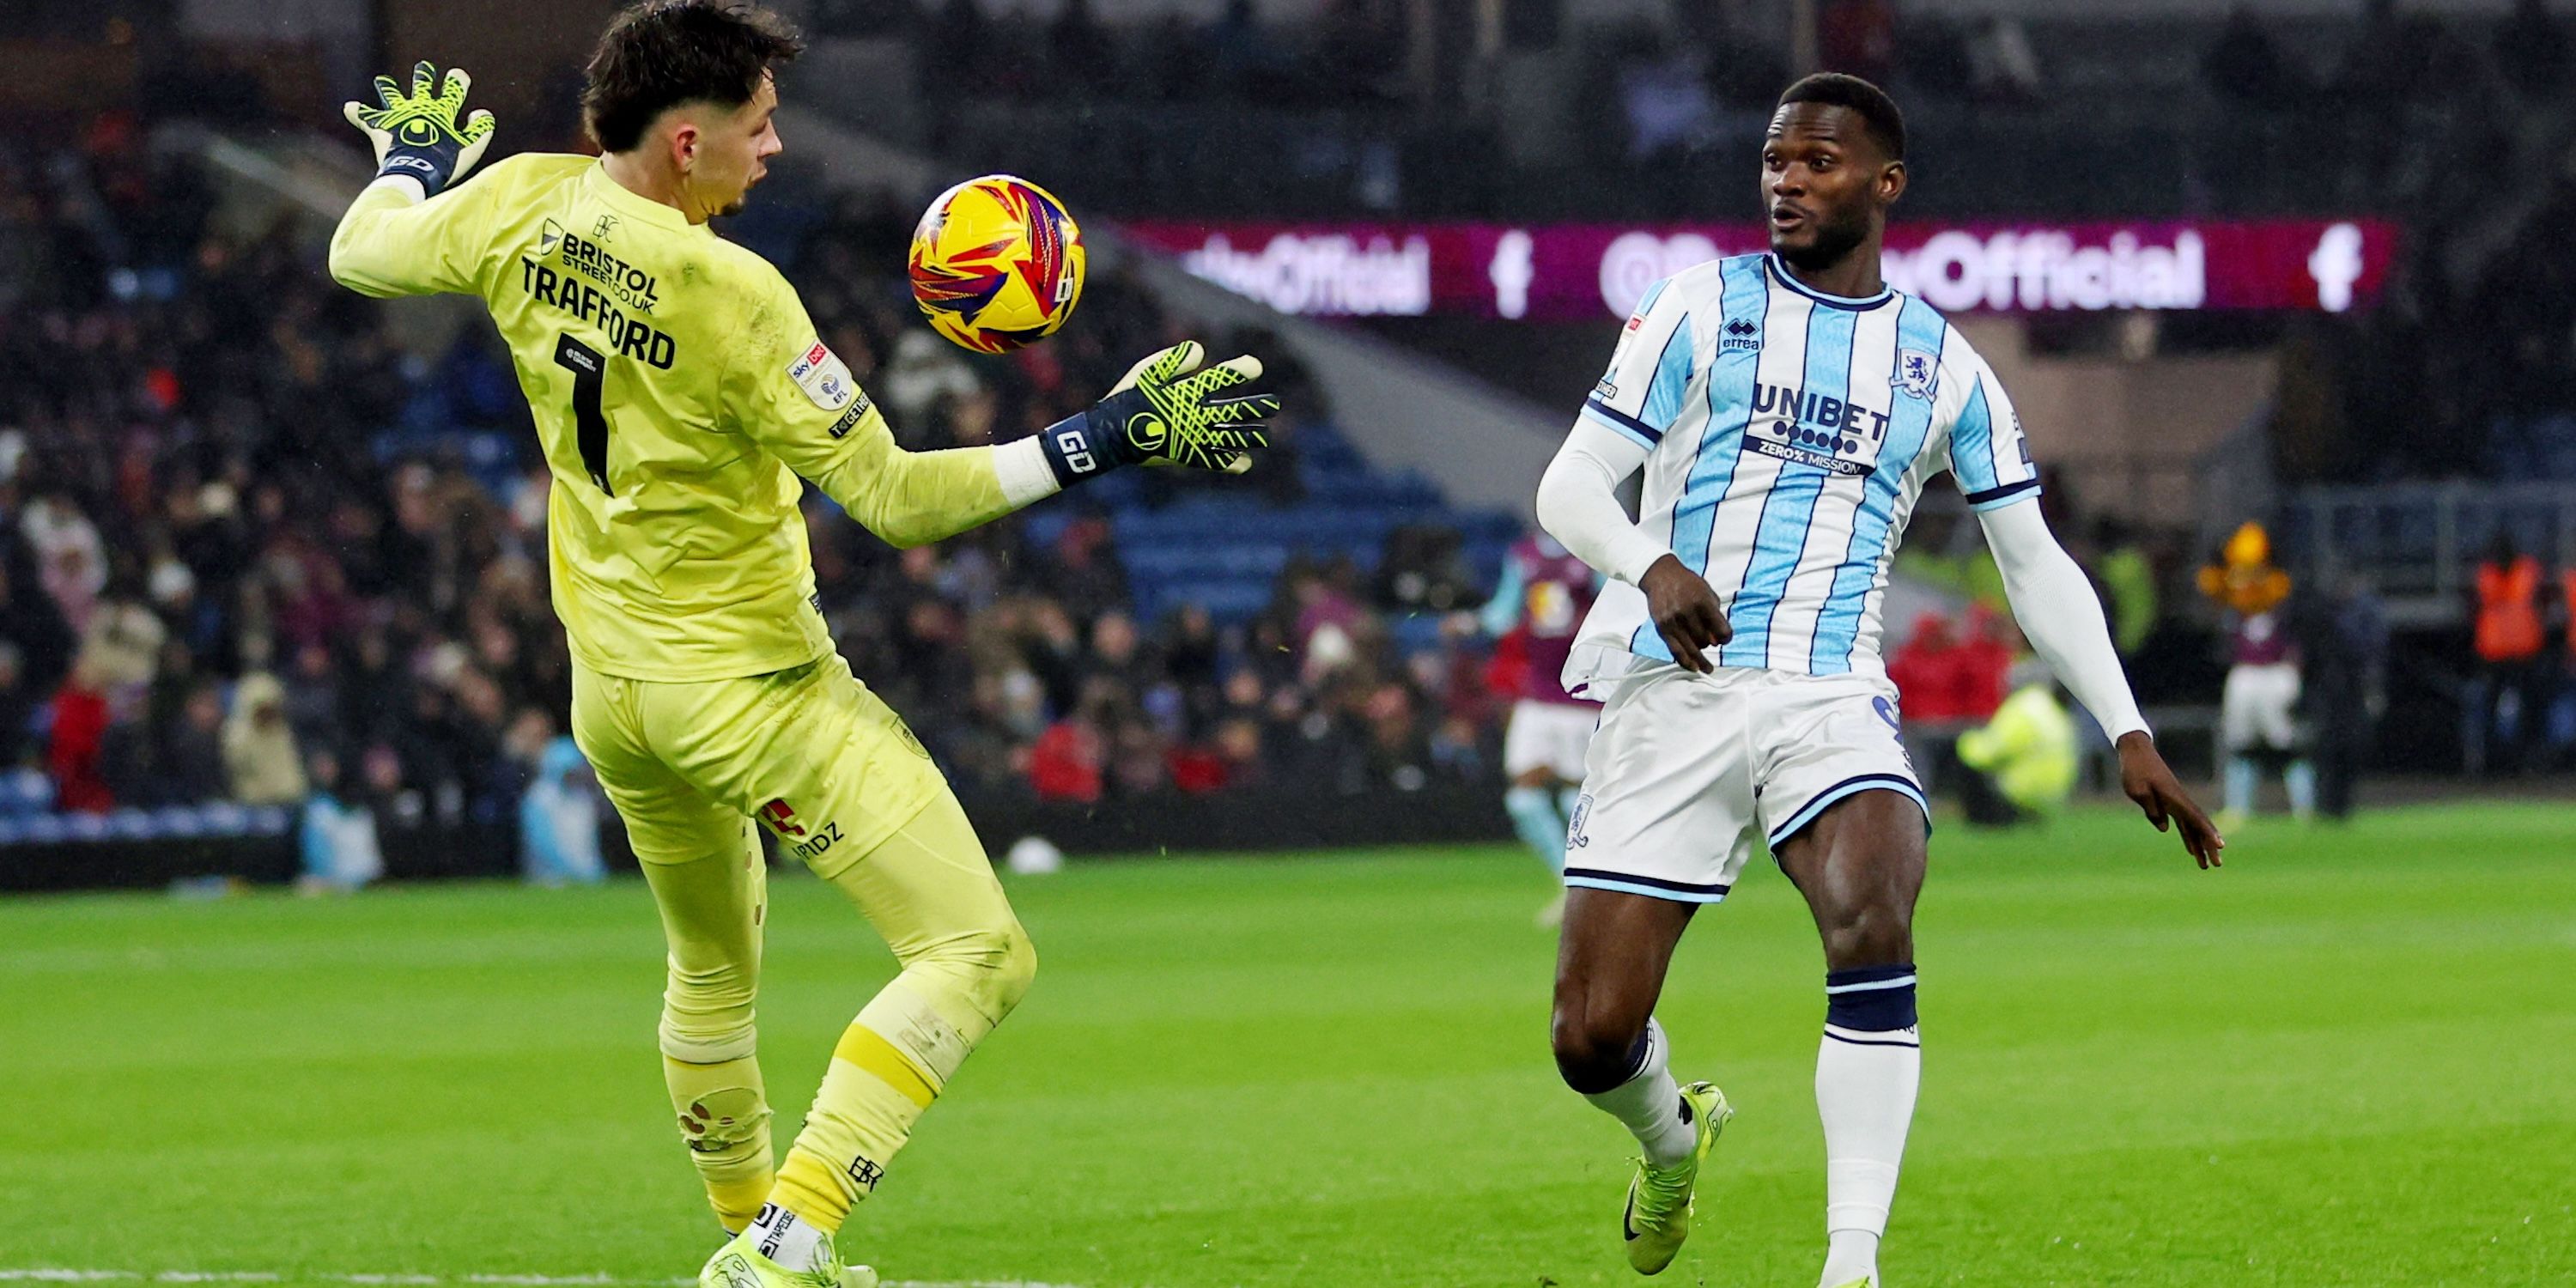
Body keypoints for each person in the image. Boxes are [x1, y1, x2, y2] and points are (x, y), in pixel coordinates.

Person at [325, 7, 1279, 1285]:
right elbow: (896, 500)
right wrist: (1103, 438)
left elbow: (361, 252)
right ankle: (793, 1237)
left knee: (712, 969)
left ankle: (751, 1244)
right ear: (682, 142)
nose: (774, 148)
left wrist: (410, 164)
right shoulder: (730, 291)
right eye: (756, 125)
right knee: (978, 952)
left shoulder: (517, 204)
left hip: (613, 691)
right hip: (749, 691)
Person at [1531, 73, 2218, 1288]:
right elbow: (1570, 486)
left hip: (1830, 696)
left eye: (1818, 164)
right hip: (1673, 688)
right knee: (1590, 1037)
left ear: (1885, 186)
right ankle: (1671, 1137)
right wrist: (1651, 562)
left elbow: (2034, 561)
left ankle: (1853, 1266)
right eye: (1774, 162)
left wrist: (2126, 726)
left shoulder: (1943, 368)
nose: (1787, 183)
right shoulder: (1696, 306)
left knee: (1874, 909)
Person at [1474, 530, 1602, 927]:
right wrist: (1470, 621)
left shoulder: (1593, 550)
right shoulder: (1523, 557)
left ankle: (1593, 886)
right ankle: (1569, 883)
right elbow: (1502, 615)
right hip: (1538, 695)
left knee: (1576, 797)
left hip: (1581, 695)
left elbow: (1617, 606)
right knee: (1523, 795)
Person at [2197, 522, 2312, 822]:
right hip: (2245, 673)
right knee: (2239, 741)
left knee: (2288, 741)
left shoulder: (2279, 589)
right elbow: (2209, 585)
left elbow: (2277, 594)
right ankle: (2238, 808)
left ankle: (2305, 806)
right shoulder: (2233, 595)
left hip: (2277, 672)